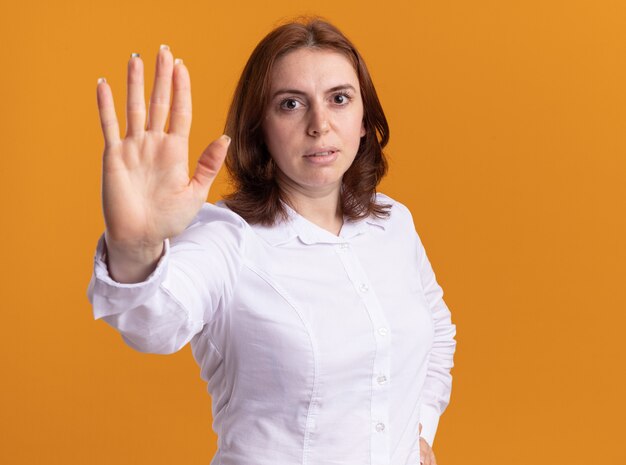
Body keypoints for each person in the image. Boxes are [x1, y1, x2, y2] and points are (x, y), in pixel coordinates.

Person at [88, 18, 457, 465]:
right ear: (258, 127)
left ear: (364, 120)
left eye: (339, 99)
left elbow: (436, 330)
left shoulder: (394, 223)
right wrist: (137, 248)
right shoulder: (226, 238)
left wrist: (418, 430)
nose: (319, 125)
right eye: (290, 104)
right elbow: (155, 323)